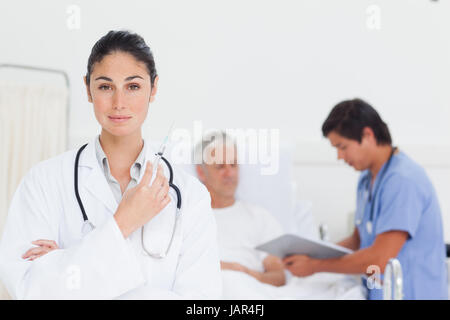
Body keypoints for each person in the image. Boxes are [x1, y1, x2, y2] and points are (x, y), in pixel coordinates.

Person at [0, 30, 222, 299]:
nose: (119, 103)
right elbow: (29, 291)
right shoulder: (43, 181)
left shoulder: (191, 196)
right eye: (105, 86)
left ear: (154, 88)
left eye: (133, 86)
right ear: (88, 89)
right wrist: (123, 222)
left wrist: (67, 263)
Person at [283, 98, 448, 300]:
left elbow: (379, 258)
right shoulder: (366, 180)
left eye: (342, 147)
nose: (339, 156)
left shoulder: (403, 181)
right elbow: (358, 239)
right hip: (379, 292)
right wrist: (312, 254)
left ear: (367, 135)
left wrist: (315, 266)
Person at [195, 132, 286, 287]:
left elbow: (278, 277)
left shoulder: (260, 217)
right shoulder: (189, 218)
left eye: (233, 165)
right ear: (201, 172)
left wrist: (243, 273)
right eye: (220, 166)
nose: (229, 173)